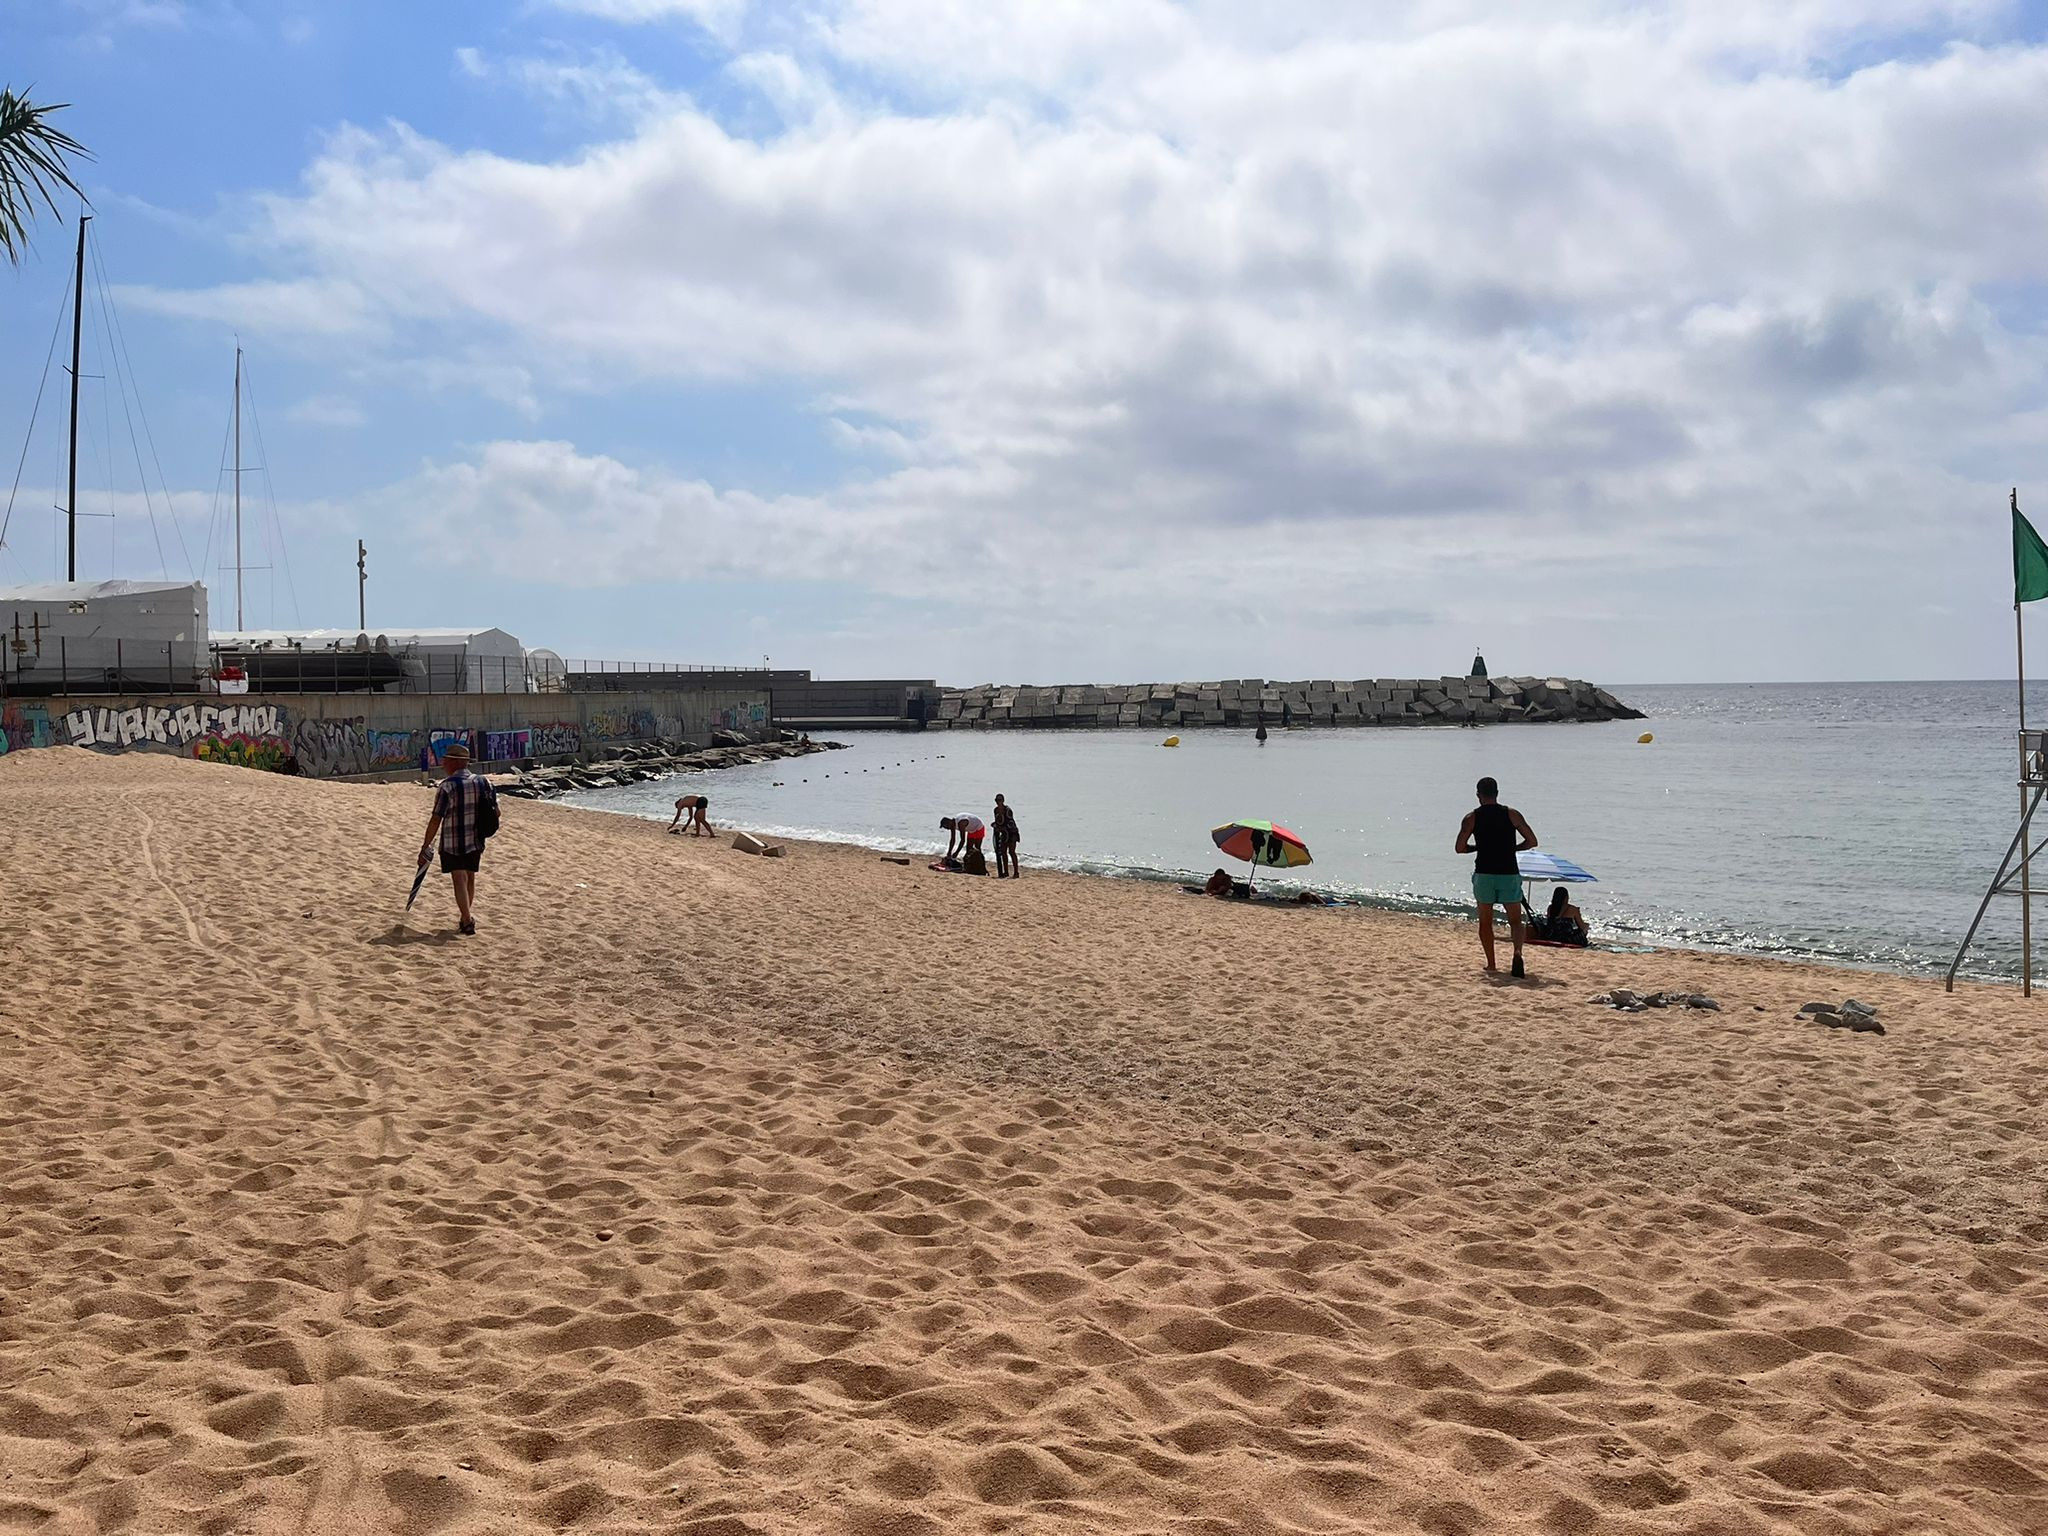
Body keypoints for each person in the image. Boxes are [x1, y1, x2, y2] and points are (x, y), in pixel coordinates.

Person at [1455, 776, 1538, 977]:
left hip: (1484, 873)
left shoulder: (1471, 818)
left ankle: (1491, 964)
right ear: (1497, 794)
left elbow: (1459, 848)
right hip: (1508, 872)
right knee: (1516, 921)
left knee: (1485, 921)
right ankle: (1517, 951)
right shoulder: (1512, 814)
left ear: (1478, 796)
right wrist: (1512, 848)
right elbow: (1532, 841)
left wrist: (1478, 847)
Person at [418, 742, 493, 935]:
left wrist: (425, 845)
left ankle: (467, 919)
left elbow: (436, 818)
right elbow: (496, 812)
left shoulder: (447, 787)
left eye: (445, 760)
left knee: (458, 878)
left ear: (453, 763)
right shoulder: (483, 782)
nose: (442, 764)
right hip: (475, 839)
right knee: (469, 877)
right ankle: (465, 916)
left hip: (452, 841)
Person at [992, 794, 1021, 878]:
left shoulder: (1008, 810)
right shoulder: (996, 810)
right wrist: (996, 826)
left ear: (1003, 800)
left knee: (1011, 852)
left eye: (1000, 800)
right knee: (1003, 852)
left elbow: (1010, 823)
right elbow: (998, 821)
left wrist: (1001, 827)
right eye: (997, 800)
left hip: (1012, 833)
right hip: (1004, 833)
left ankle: (1016, 872)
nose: (998, 802)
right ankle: (1006, 872)